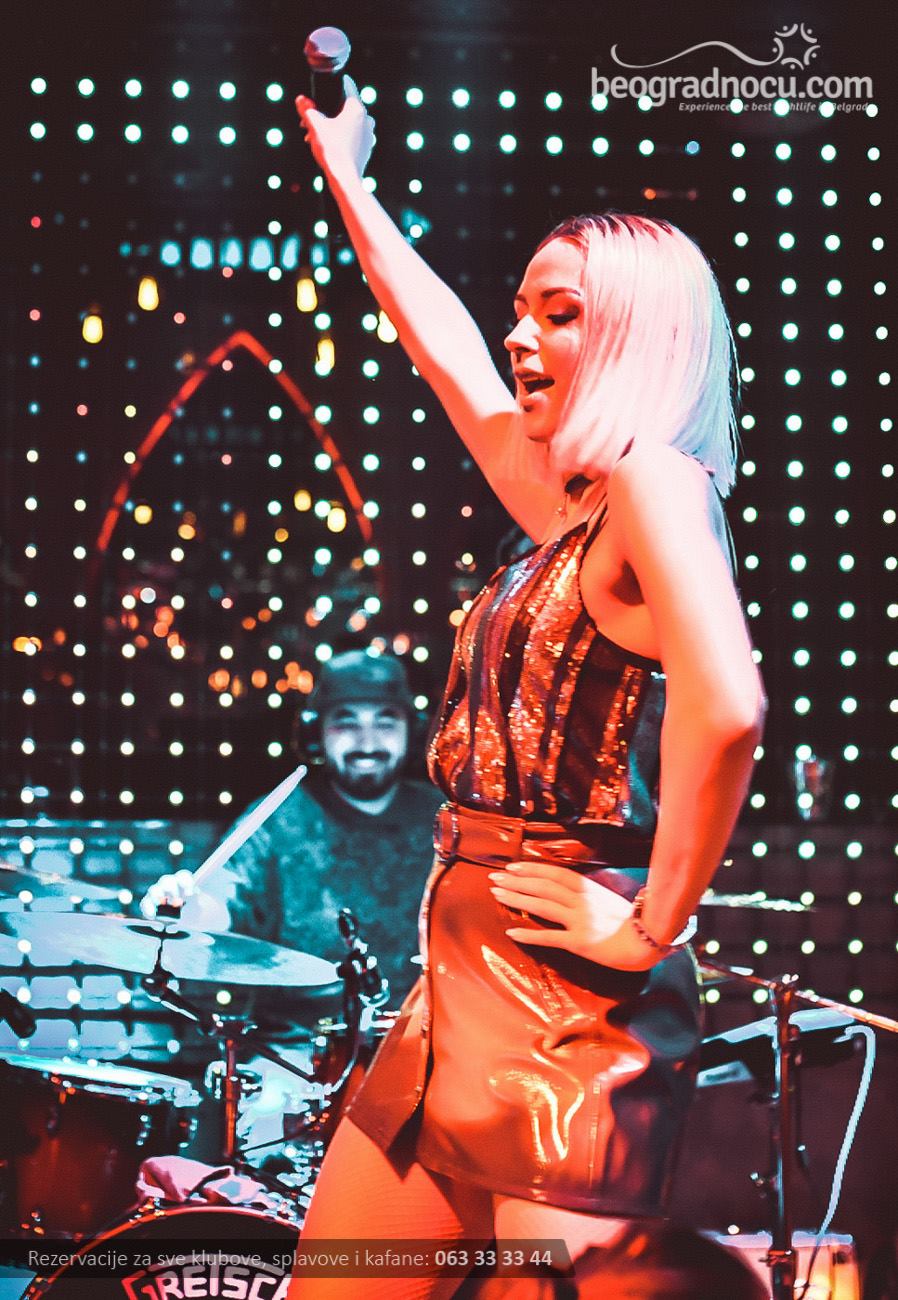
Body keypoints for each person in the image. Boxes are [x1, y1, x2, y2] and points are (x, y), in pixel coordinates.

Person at [290, 82, 766, 1300]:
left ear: (639, 339)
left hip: (565, 1007)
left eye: (559, 316)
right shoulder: (573, 507)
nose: (518, 338)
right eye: (521, 311)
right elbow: (445, 353)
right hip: (456, 978)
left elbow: (729, 705)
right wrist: (350, 180)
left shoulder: (655, 482)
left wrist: (652, 926)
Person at [142, 649, 441, 1002]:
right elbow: (225, 897)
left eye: (385, 722)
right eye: (346, 722)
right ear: (317, 732)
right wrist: (189, 909)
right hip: (299, 1032)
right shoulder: (279, 820)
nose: (367, 742)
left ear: (411, 731)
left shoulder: (445, 819)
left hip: (426, 1029)